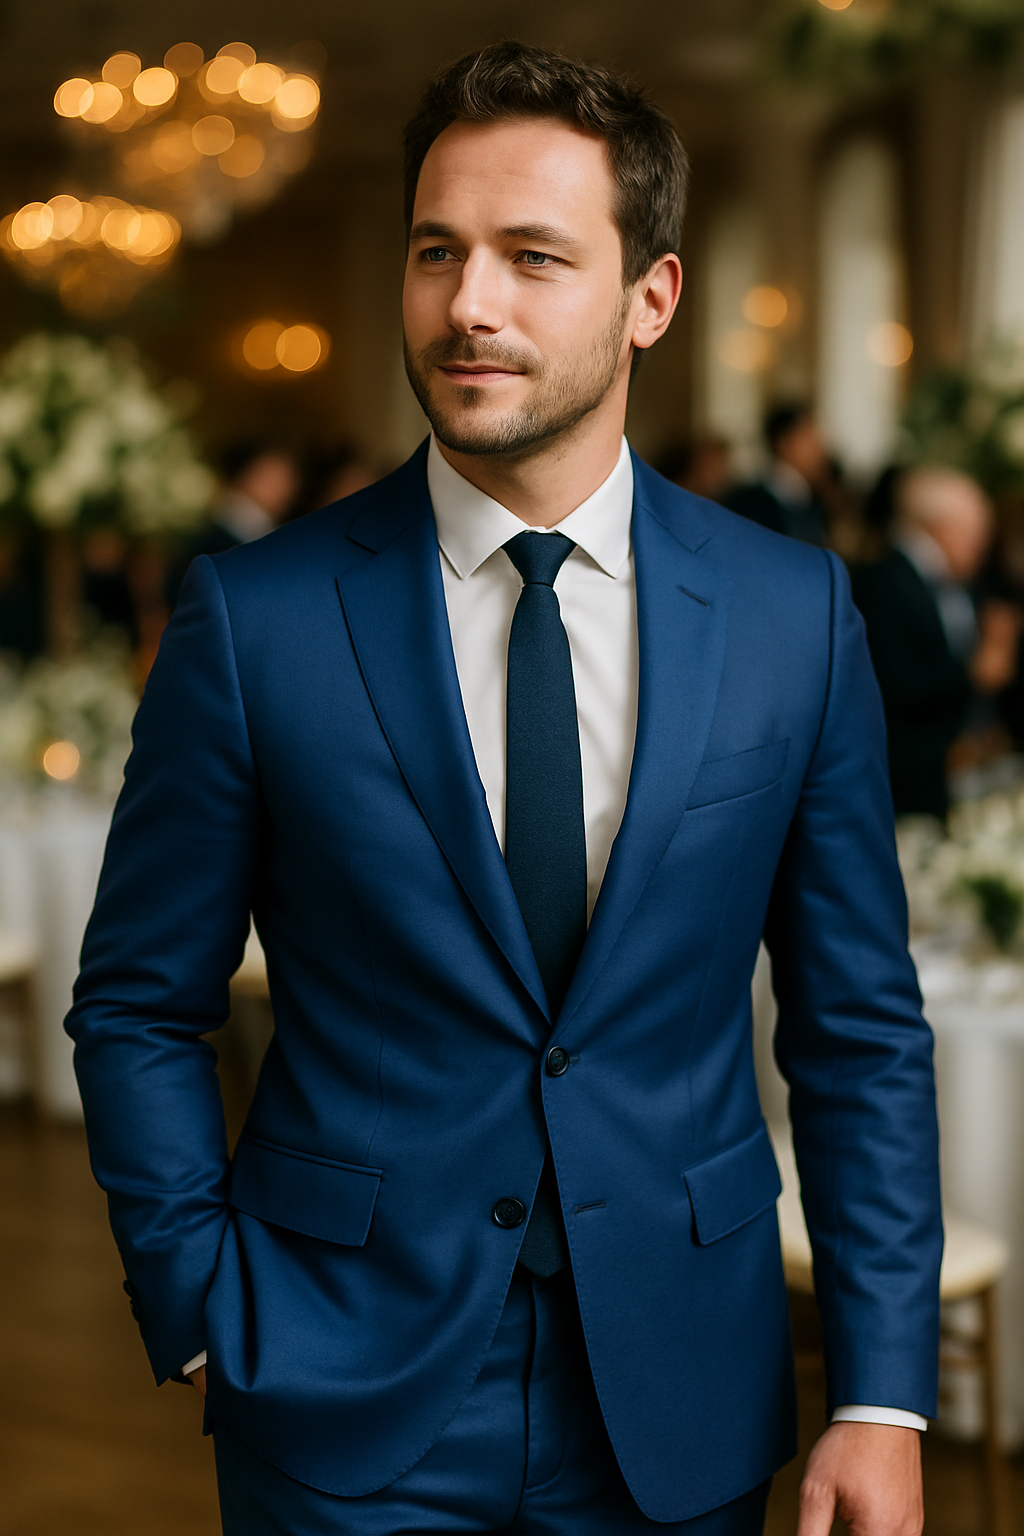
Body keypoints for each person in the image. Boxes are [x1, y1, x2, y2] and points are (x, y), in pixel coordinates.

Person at [67, 41, 941, 1536]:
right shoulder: (254, 619)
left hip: (679, 1385)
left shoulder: (796, 615)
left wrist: (880, 1395)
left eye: (534, 257)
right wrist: (201, 1296)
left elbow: (858, 1030)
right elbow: (140, 1000)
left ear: (649, 298)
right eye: (436, 253)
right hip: (335, 1385)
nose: (469, 304)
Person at [851, 465, 1008, 819]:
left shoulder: (960, 582)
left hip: (958, 771)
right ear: (943, 528)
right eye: (976, 531)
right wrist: (974, 674)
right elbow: (890, 683)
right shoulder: (884, 582)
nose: (983, 544)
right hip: (904, 782)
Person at [726, 403, 832, 546]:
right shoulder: (753, 503)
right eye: (809, 439)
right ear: (784, 443)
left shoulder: (809, 499)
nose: (820, 449)